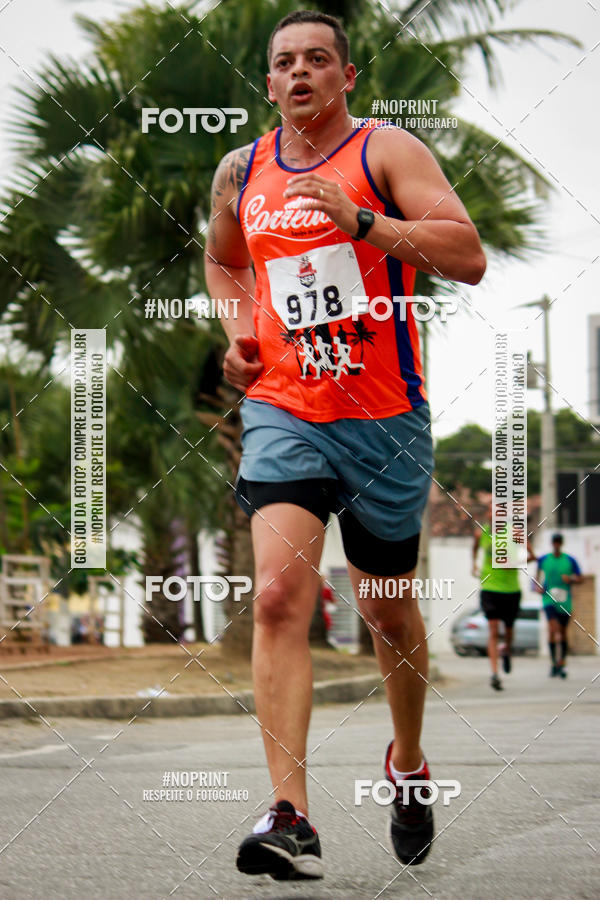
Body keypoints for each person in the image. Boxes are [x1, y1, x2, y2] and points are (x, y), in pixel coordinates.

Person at [205, 9, 485, 880]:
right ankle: (289, 814)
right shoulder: (239, 170)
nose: (300, 74)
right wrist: (239, 329)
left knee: (387, 613)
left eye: (317, 60)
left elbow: (467, 255)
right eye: (285, 62)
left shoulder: (386, 153)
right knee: (283, 596)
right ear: (268, 82)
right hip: (284, 410)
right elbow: (225, 261)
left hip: (385, 420)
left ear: (346, 77)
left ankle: (407, 762)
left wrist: (364, 225)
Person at [472, 508, 535, 691]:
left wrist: (514, 563)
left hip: (510, 590)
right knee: (492, 630)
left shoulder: (514, 533)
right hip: (490, 588)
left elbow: (532, 555)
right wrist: (473, 565)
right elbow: (475, 549)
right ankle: (494, 674)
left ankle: (506, 648)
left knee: (508, 630)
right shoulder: (481, 534)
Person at [536, 533, 583, 678]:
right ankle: (553, 662)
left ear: (561, 544)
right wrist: (538, 587)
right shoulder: (544, 559)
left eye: (558, 542)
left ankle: (561, 662)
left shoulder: (570, 560)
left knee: (562, 632)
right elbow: (537, 577)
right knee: (553, 629)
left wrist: (571, 579)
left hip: (565, 600)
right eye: (554, 542)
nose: (556, 545)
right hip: (549, 599)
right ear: (552, 544)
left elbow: (580, 578)